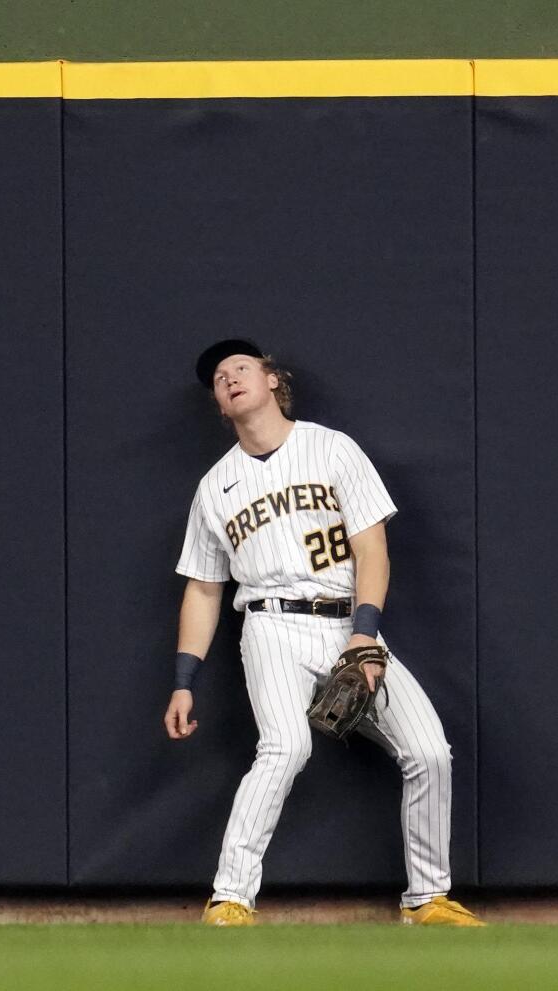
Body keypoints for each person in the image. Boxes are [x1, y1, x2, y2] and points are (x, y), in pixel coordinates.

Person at [165, 338, 482, 927]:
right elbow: (204, 590)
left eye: (241, 367)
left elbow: (372, 549)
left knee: (429, 753)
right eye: (218, 378)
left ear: (272, 380)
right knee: (285, 746)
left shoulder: (332, 449)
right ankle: (230, 898)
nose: (229, 378)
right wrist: (185, 680)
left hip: (349, 623)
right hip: (270, 626)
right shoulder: (215, 487)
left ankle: (428, 900)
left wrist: (365, 637)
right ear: (218, 405)